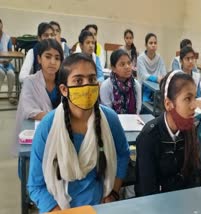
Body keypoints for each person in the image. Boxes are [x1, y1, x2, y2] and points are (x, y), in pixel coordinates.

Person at [27, 53, 130, 213]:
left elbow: (123, 154)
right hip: (58, 207)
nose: (87, 86)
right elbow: (35, 185)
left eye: (92, 79)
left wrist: (114, 192)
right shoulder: (48, 126)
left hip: (100, 206)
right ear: (64, 89)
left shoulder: (109, 119)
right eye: (78, 81)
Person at [135, 70, 201, 196]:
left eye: (195, 98)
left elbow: (195, 175)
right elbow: (147, 190)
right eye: (187, 99)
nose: (194, 105)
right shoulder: (149, 137)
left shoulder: (190, 130)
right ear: (169, 104)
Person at [14, 39, 63, 155]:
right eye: (48, 56)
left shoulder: (64, 82)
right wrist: (57, 116)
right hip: (38, 129)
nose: (52, 62)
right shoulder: (30, 82)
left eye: (57, 58)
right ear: (39, 59)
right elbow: (28, 111)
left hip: (61, 130)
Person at [100, 49, 141, 114]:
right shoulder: (106, 86)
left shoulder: (136, 85)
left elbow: (138, 109)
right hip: (113, 122)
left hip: (132, 121)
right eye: (122, 64)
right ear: (113, 68)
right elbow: (108, 113)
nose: (127, 67)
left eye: (129, 63)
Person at [137, 33, 166, 101]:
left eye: (155, 43)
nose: (153, 45)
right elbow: (143, 76)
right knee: (146, 103)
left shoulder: (159, 58)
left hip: (157, 88)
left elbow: (164, 74)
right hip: (144, 89)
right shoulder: (140, 58)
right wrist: (156, 79)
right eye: (150, 43)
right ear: (146, 45)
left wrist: (162, 79)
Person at [0, 18, 16, 104]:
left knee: (11, 74)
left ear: (2, 25)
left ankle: (10, 96)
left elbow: (11, 54)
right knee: (0, 73)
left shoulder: (7, 38)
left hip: (7, 63)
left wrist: (8, 60)